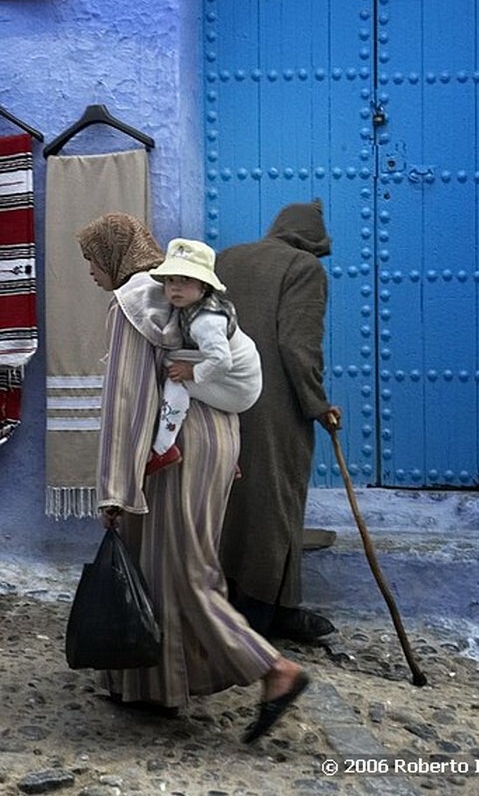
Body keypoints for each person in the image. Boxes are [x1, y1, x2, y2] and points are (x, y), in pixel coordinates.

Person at [77, 212, 309, 742]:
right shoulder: (177, 295)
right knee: (157, 563)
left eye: (92, 257)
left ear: (114, 254)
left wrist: (114, 485)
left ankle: (275, 669)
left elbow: (129, 398)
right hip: (212, 439)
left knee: (183, 569)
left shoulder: (134, 304)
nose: (90, 270)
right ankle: (154, 686)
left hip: (176, 448)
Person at [217, 199, 342, 643]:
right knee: (277, 504)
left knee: (230, 500)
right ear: (312, 242)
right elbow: (296, 346)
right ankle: (262, 613)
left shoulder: (227, 258)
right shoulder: (304, 268)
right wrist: (317, 403)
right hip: (275, 408)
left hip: (220, 397)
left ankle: (235, 602)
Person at [146, 238, 262, 476]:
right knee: (173, 361)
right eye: (170, 280)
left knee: (174, 378)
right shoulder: (194, 307)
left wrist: (191, 373)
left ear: (204, 286)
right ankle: (224, 453)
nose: (175, 287)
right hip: (234, 374)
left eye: (185, 280)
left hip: (238, 386)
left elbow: (221, 361)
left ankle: (163, 448)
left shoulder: (205, 321)